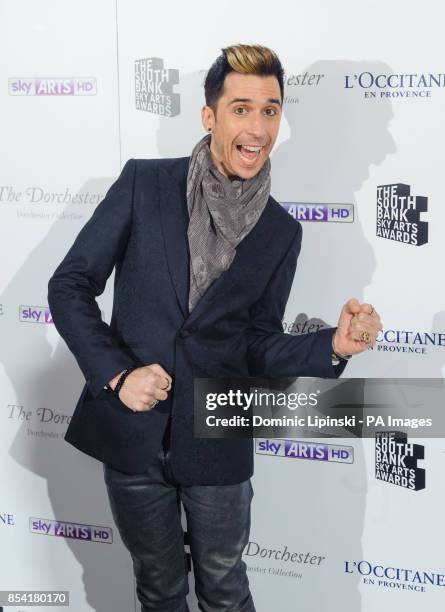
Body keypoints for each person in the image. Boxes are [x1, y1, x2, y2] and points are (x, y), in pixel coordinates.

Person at [48, 44, 382, 612]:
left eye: (270, 110)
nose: (257, 127)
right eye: (242, 108)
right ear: (210, 116)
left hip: (218, 438)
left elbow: (256, 342)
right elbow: (69, 285)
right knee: (158, 588)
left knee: (226, 590)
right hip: (134, 433)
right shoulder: (144, 185)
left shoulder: (281, 232)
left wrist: (330, 346)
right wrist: (117, 374)